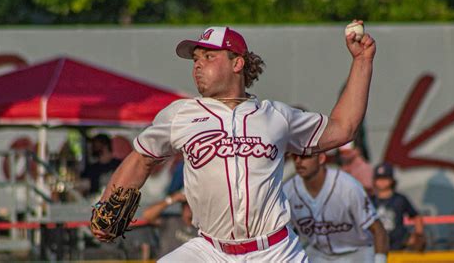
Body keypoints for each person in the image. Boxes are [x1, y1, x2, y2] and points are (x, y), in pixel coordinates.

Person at [92, 21, 376, 262]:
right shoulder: (181, 115)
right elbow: (141, 159)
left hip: (275, 251)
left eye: (208, 57)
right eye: (195, 60)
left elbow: (342, 128)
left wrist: (362, 61)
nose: (198, 66)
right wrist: (106, 207)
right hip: (210, 250)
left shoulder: (275, 116)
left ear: (237, 63)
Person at [283, 153, 388, 263]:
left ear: (321, 158)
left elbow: (378, 230)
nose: (298, 161)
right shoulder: (288, 190)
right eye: (295, 157)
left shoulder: (347, 186)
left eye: (305, 157)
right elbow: (283, 234)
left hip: (357, 252)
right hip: (319, 253)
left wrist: (380, 260)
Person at [371, 162, 426, 251]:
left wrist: (418, 235)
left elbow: (416, 216)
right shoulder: (370, 201)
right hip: (376, 245)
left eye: (385, 178)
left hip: (398, 245)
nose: (382, 182)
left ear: (392, 180)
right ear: (374, 181)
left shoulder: (400, 199)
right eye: (379, 178)